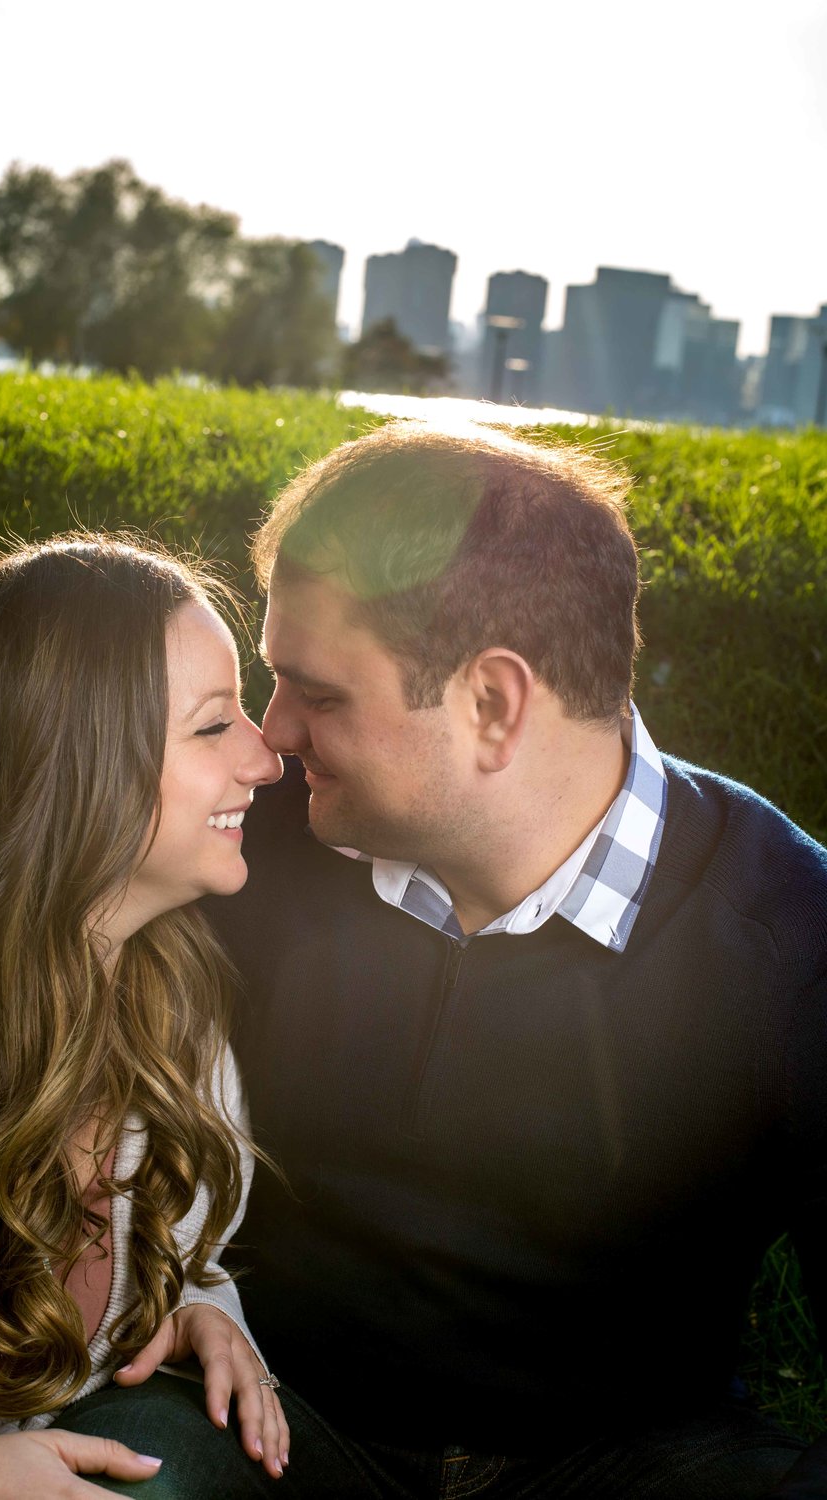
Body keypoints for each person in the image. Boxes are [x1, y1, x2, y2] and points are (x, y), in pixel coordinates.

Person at [198, 420, 827, 1498]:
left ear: (492, 704)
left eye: (319, 693)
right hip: (274, 1423)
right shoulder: (237, 846)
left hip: (631, 1461)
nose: (271, 736)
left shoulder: (788, 937)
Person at [0, 534, 288, 1500]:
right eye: (213, 727)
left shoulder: (176, 1023)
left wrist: (200, 1305)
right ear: (71, 767)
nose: (266, 755)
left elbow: (157, 1257)